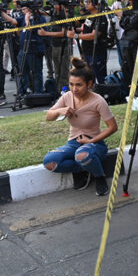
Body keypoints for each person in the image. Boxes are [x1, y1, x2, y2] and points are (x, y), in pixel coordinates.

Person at [43, 57, 118, 196]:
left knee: (82, 155)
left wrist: (91, 141)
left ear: (89, 84)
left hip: (94, 144)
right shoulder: (67, 97)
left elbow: (113, 127)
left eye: (78, 85)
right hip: (73, 143)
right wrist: (60, 111)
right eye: (71, 84)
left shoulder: (98, 101)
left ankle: (99, 176)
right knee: (49, 162)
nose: (74, 89)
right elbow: (48, 116)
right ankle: (81, 170)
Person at [2, 6, 46, 95]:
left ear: (30, 9)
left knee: (36, 72)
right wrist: (1, 12)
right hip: (23, 49)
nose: (22, 11)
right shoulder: (24, 17)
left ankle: (38, 92)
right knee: (21, 72)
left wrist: (27, 20)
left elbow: (30, 29)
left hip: (34, 49)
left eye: (24, 9)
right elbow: (13, 21)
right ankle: (22, 91)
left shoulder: (39, 18)